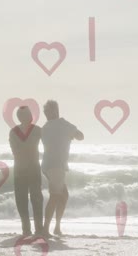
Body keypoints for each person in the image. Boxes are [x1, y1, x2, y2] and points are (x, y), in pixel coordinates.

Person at [41, 100, 84, 237]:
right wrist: (71, 135)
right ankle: (46, 229)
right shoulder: (63, 124)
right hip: (56, 166)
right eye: (46, 112)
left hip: (48, 166)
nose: (47, 114)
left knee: (63, 195)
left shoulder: (45, 127)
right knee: (55, 195)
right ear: (56, 111)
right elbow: (81, 136)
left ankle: (56, 227)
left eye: (47, 112)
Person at [9, 106, 44, 236]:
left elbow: (15, 151)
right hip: (31, 167)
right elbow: (49, 141)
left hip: (21, 168)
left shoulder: (14, 132)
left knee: (24, 199)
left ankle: (28, 229)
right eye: (28, 114)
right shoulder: (37, 130)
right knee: (34, 198)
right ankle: (37, 228)